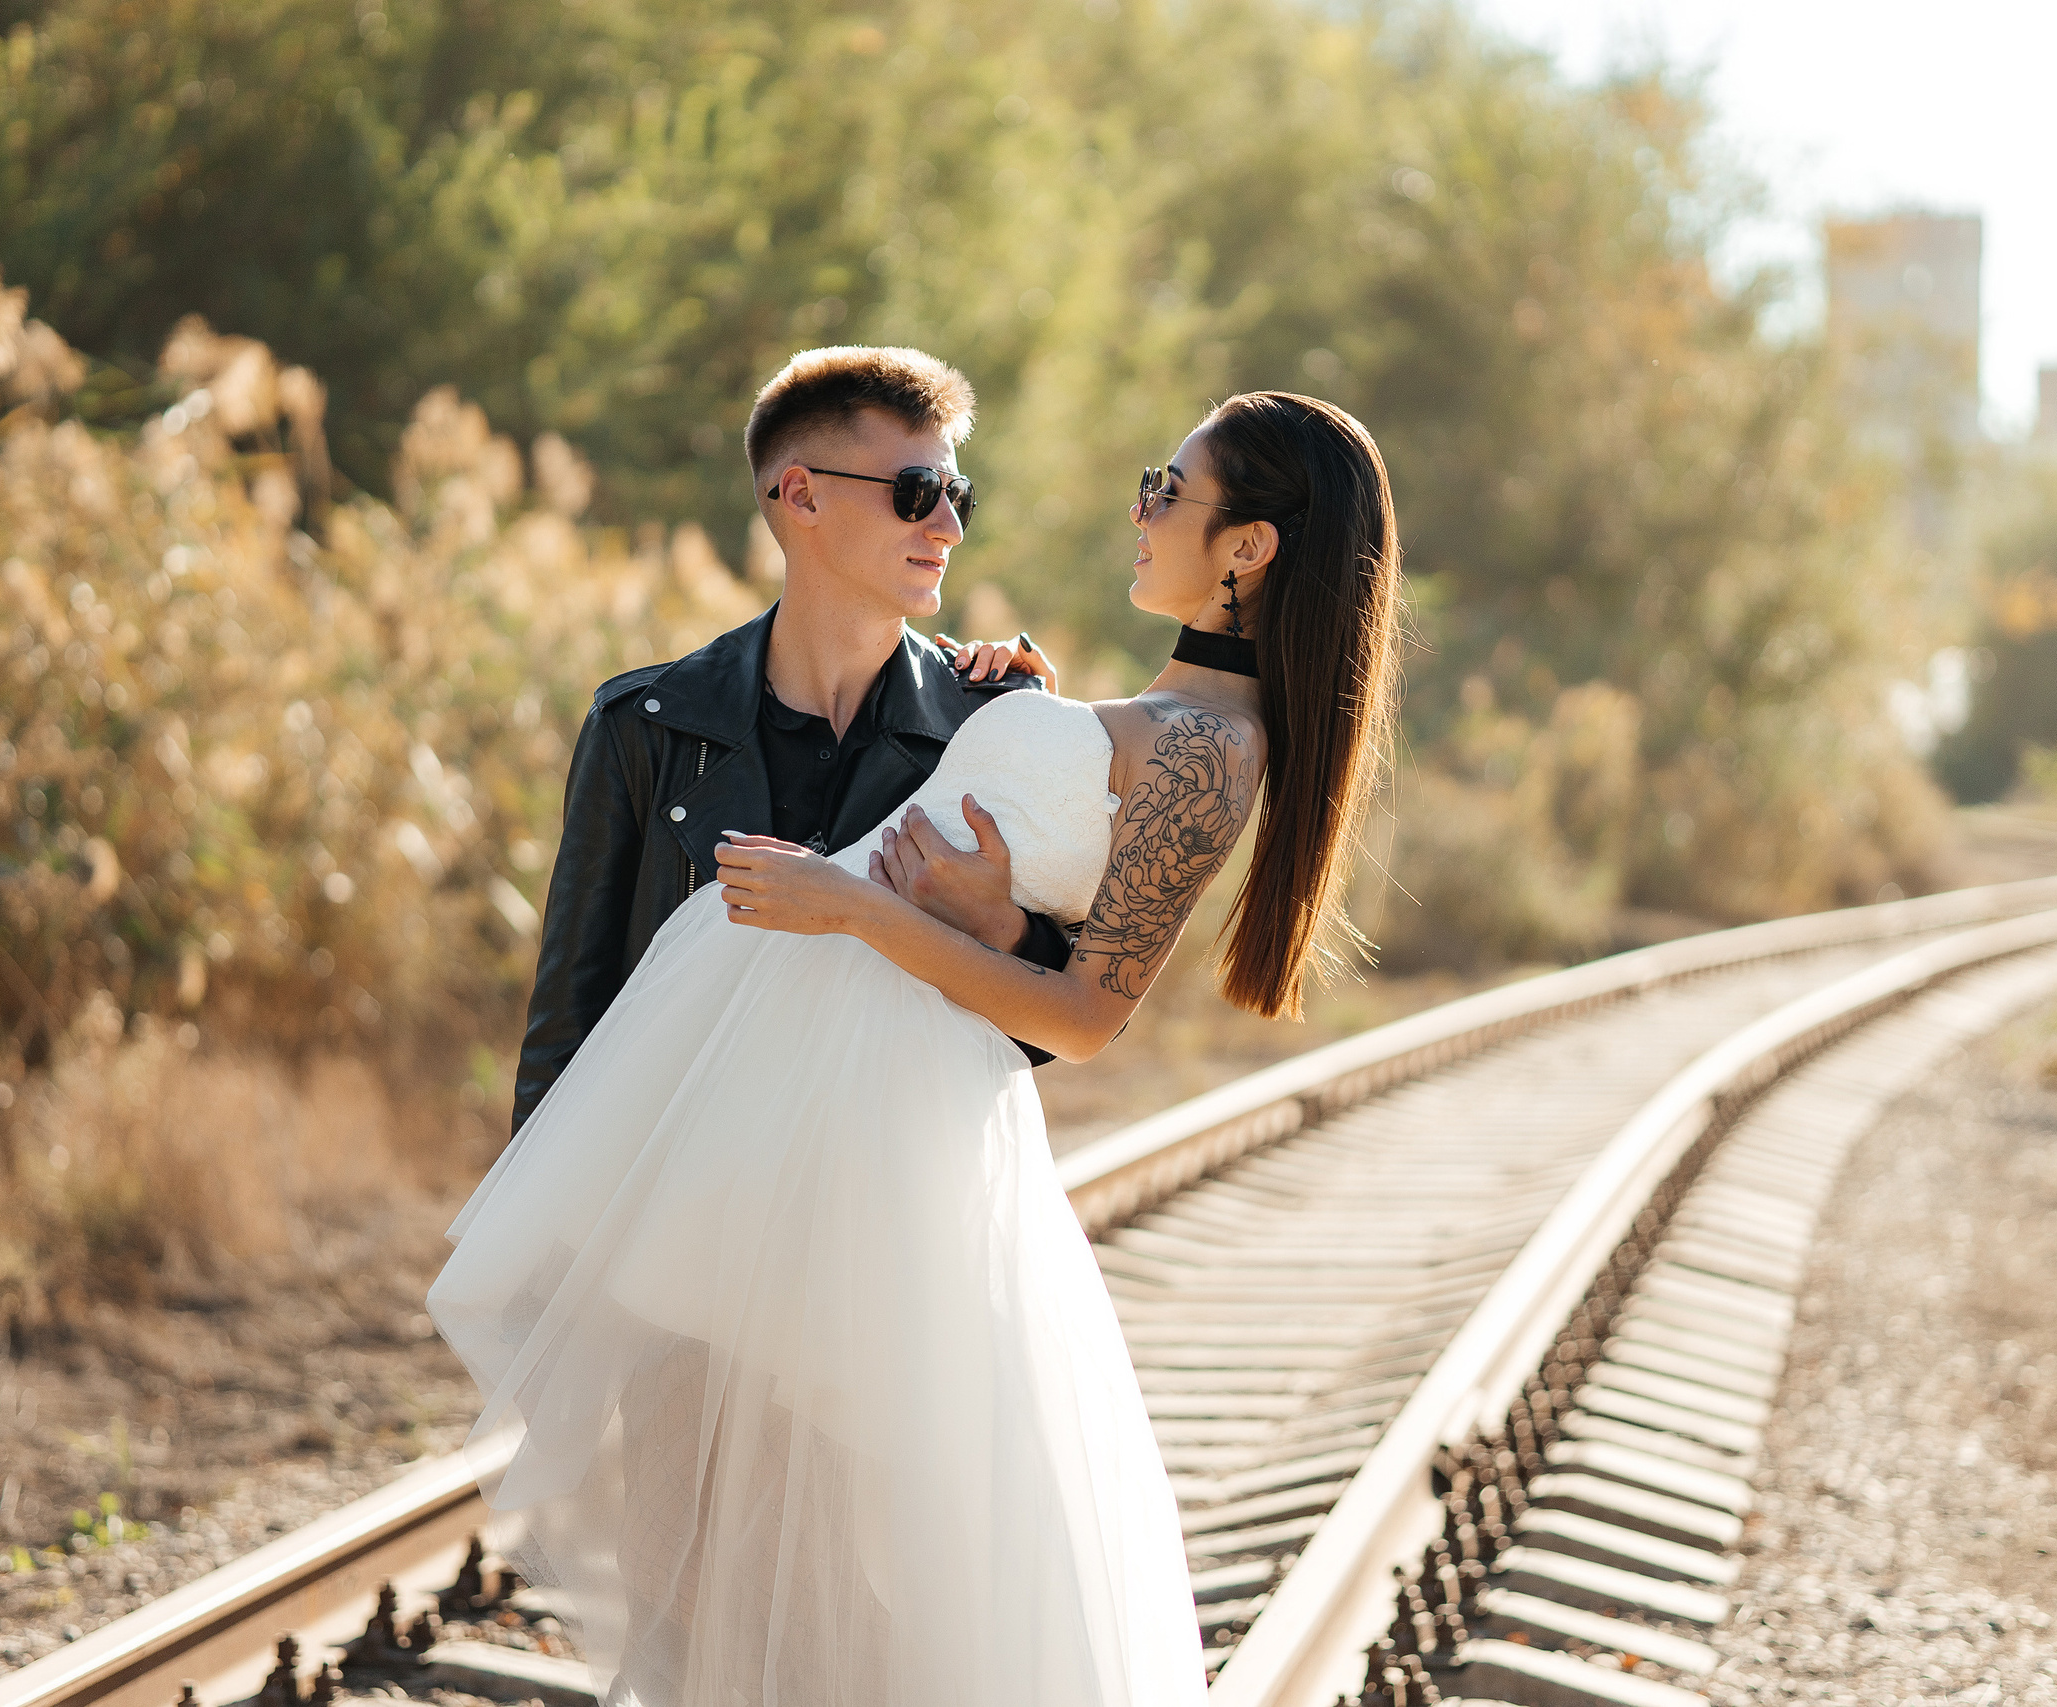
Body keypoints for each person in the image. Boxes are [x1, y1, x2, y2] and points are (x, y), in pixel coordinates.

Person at [429, 389, 1402, 1707]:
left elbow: (1084, 1015)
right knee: (702, 1595)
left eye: (1168, 490)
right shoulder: (1147, 711)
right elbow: (1042, 854)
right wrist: (1025, 738)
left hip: (869, 1143)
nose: (1142, 507)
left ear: (1249, 547)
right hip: (757, 1111)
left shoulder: (1215, 752)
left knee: (831, 1590)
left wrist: (855, 906)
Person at [512, 345, 1074, 1132]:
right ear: (802, 496)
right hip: (679, 1188)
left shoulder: (990, 720)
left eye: (959, 495)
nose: (947, 527)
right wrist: (550, 1244)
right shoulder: (643, 727)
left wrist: (1002, 924)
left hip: (894, 1193)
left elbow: (1061, 1024)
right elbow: (569, 1025)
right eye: (916, 492)